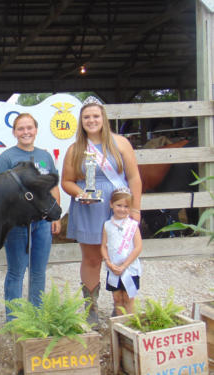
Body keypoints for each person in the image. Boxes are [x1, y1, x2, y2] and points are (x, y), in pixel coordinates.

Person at [61, 98, 142, 325]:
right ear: (81, 121)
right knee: (92, 259)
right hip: (90, 209)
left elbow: (134, 177)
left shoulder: (121, 143)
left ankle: (122, 306)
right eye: (87, 117)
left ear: (103, 118)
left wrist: (135, 209)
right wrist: (80, 193)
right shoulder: (75, 149)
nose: (91, 120)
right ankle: (91, 309)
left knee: (122, 255)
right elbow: (66, 181)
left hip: (119, 207)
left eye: (96, 116)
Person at [0, 113, 61, 321]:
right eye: (21, 129)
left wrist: (56, 216)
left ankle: (36, 316)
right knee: (16, 272)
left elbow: (53, 186)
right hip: (18, 225)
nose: (25, 132)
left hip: (41, 224)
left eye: (29, 128)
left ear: (36, 130)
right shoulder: (7, 158)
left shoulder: (45, 156)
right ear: (14, 132)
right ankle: (13, 320)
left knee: (38, 272)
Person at [101, 188, 142, 316]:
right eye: (119, 205)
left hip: (129, 268)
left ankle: (130, 325)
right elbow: (103, 246)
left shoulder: (133, 226)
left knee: (128, 298)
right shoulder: (107, 225)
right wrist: (108, 262)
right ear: (111, 204)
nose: (122, 209)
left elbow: (138, 247)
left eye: (126, 206)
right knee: (117, 298)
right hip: (113, 268)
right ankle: (119, 326)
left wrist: (124, 266)